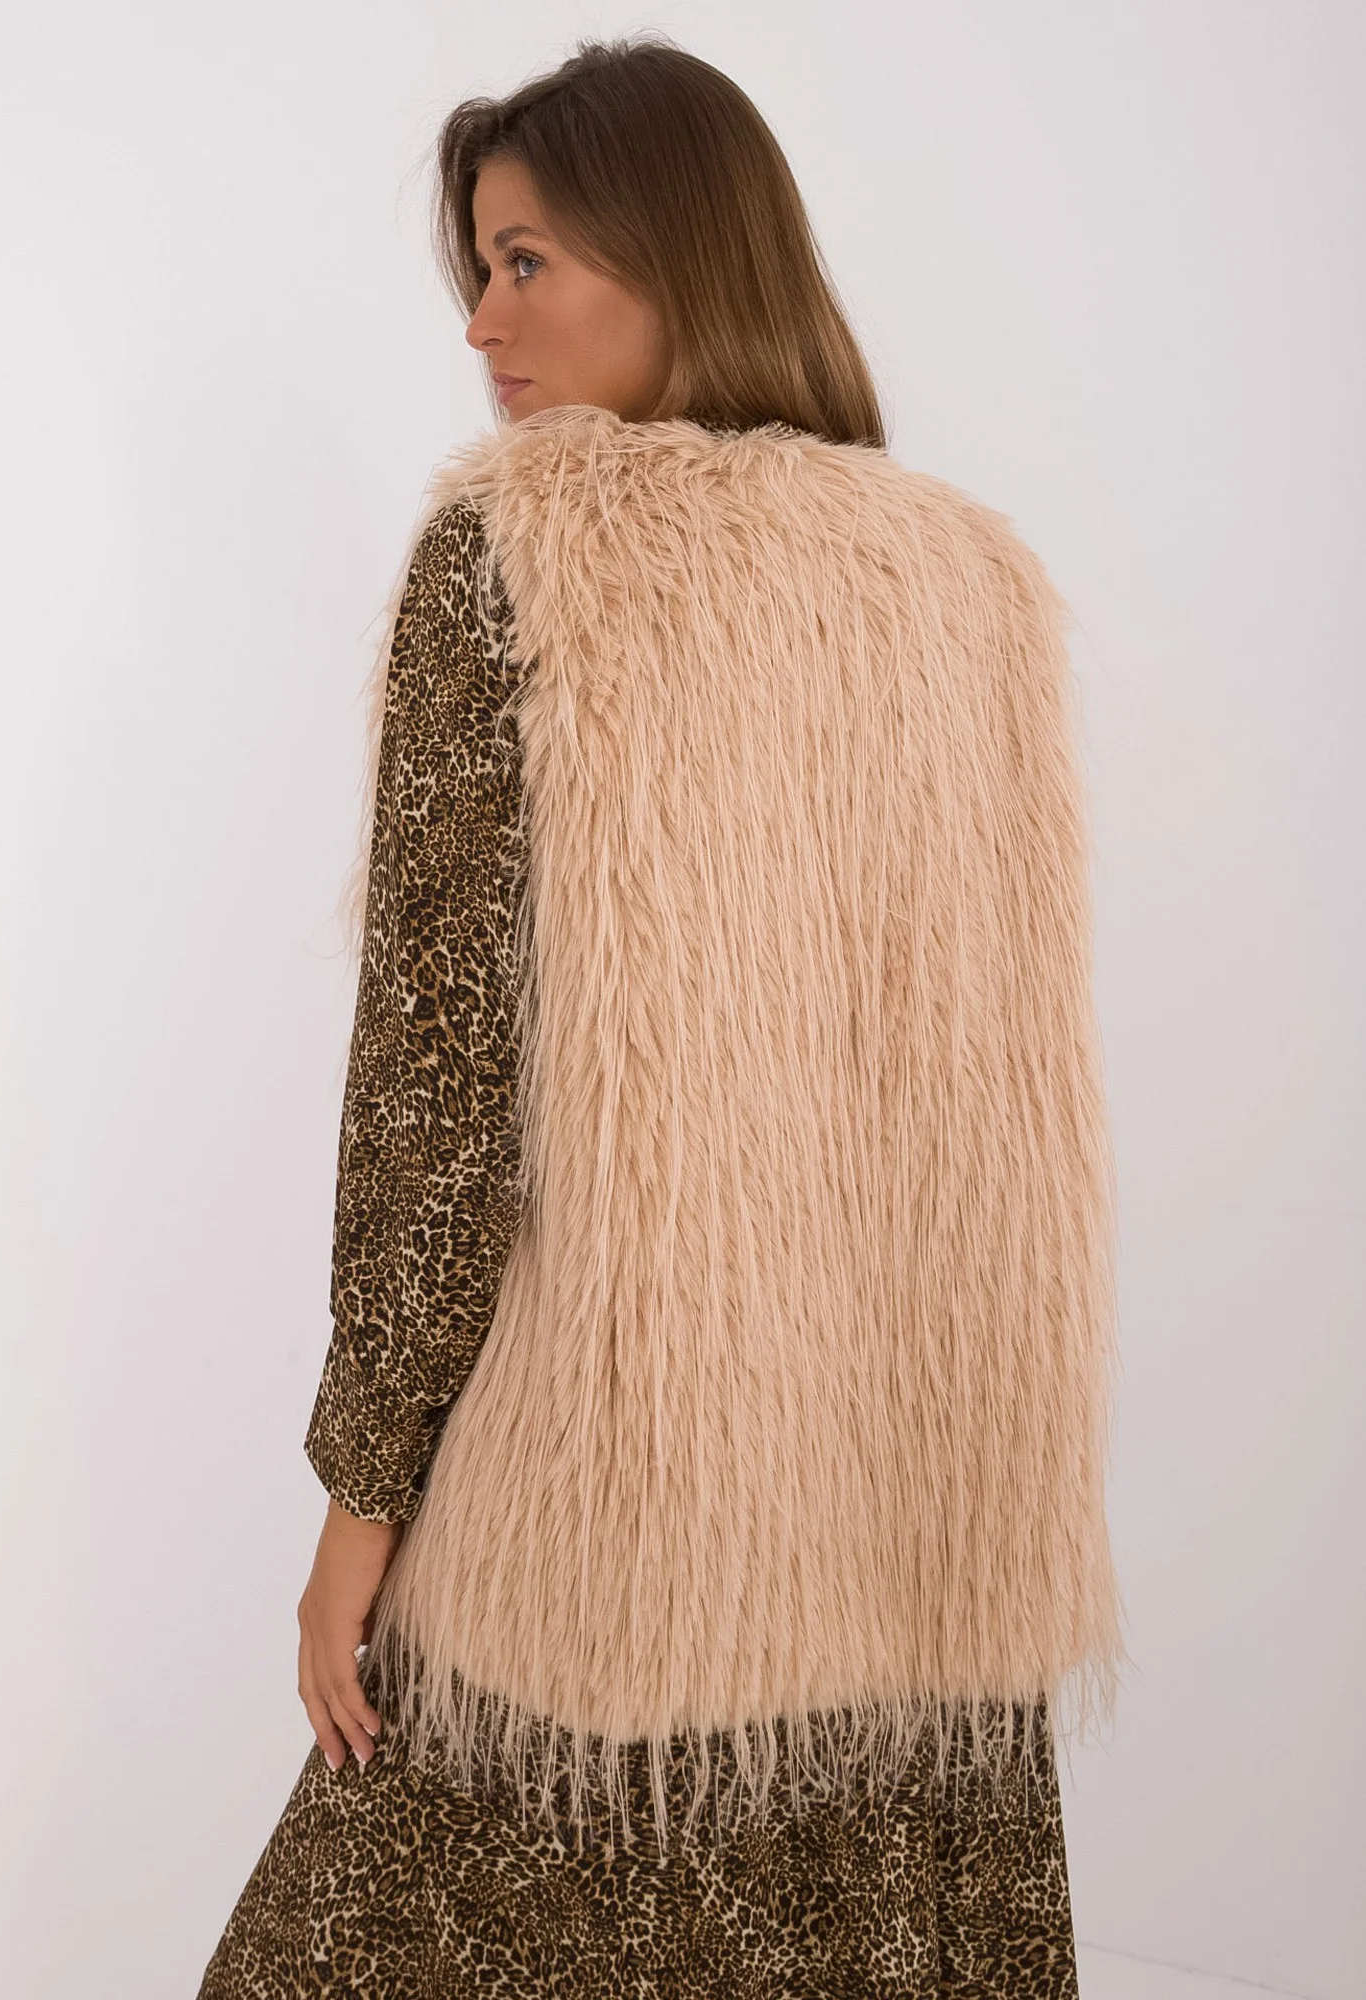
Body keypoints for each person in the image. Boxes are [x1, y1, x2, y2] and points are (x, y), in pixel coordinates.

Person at [198, 34, 1127, 1998]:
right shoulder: (969, 585)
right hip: (913, 1544)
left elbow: (441, 1078)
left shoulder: (525, 553)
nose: (482, 322)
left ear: (684, 248)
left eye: (527, 260)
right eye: (479, 268)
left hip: (613, 1546)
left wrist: (360, 1502)